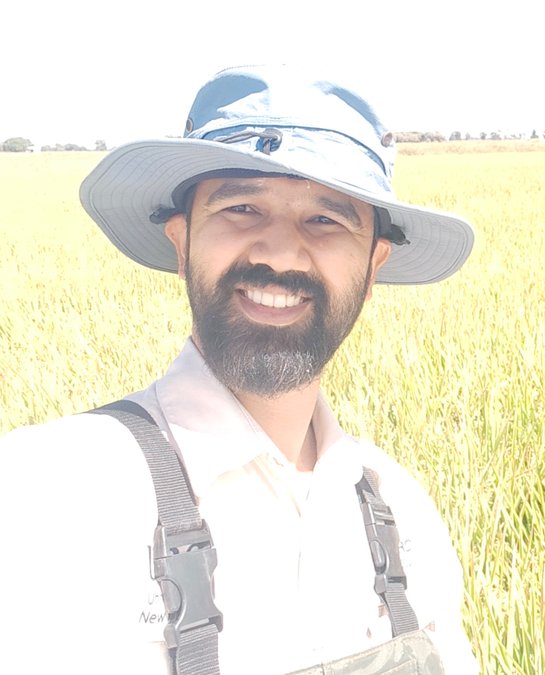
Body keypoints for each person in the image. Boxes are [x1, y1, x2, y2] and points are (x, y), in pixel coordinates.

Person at [0, 66, 477, 674]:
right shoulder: (50, 493)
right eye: (242, 207)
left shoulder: (401, 511)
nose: (279, 252)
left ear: (373, 266)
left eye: (327, 220)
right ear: (181, 243)